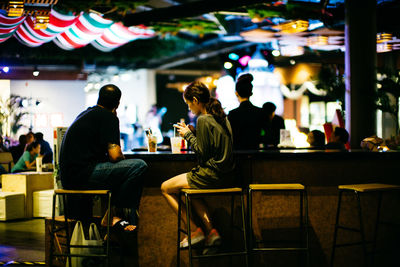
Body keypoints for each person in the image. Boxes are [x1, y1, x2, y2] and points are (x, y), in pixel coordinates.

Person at [59, 84, 148, 232]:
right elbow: (115, 155)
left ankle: (113, 214)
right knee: (138, 166)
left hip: (68, 178)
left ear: (99, 98)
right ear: (117, 104)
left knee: (120, 175)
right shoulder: (108, 116)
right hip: (83, 176)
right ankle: (115, 214)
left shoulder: (86, 114)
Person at [161, 81, 235, 252]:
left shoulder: (203, 119)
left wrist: (187, 135)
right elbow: (213, 146)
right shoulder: (222, 117)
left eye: (188, 104)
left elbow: (202, 152)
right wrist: (195, 133)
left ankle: (194, 230)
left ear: (195, 100)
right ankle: (212, 233)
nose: (189, 109)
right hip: (227, 175)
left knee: (165, 188)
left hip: (210, 175)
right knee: (193, 193)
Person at [228, 73, 264, 150]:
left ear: (236, 93)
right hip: (256, 155)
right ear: (251, 93)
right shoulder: (260, 112)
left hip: (237, 155)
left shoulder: (232, 114)